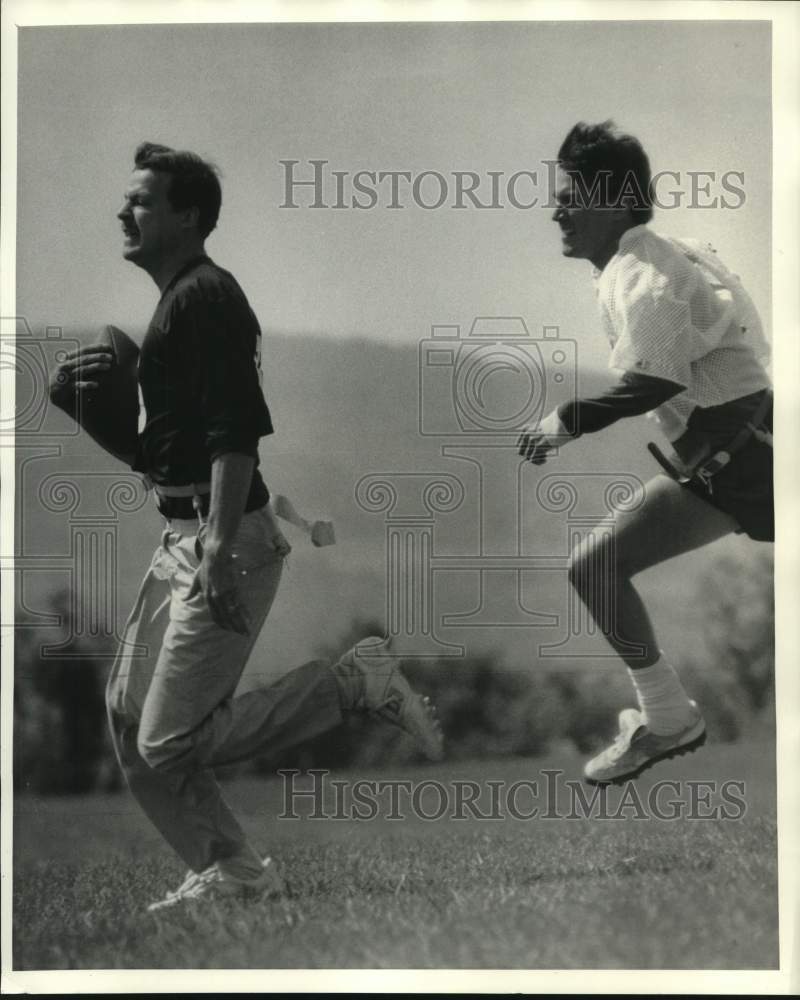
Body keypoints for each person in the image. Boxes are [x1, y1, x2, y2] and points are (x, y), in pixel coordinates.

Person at [55, 142, 443, 910]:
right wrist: (97, 424)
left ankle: (352, 685)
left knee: (166, 740)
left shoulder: (206, 298)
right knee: (133, 721)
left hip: (223, 538)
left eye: (142, 200)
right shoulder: (177, 306)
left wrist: (219, 548)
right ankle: (231, 871)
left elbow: (236, 434)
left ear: (187, 216)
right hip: (187, 534)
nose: (124, 212)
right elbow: (164, 458)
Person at [517, 121, 772, 785]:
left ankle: (666, 718)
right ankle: (665, 717)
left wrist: (566, 421)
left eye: (569, 195)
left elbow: (659, 379)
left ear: (610, 198)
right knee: (596, 567)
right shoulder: (659, 255)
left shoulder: (642, 270)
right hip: (737, 454)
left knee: (595, 567)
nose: (557, 211)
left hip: (745, 452)